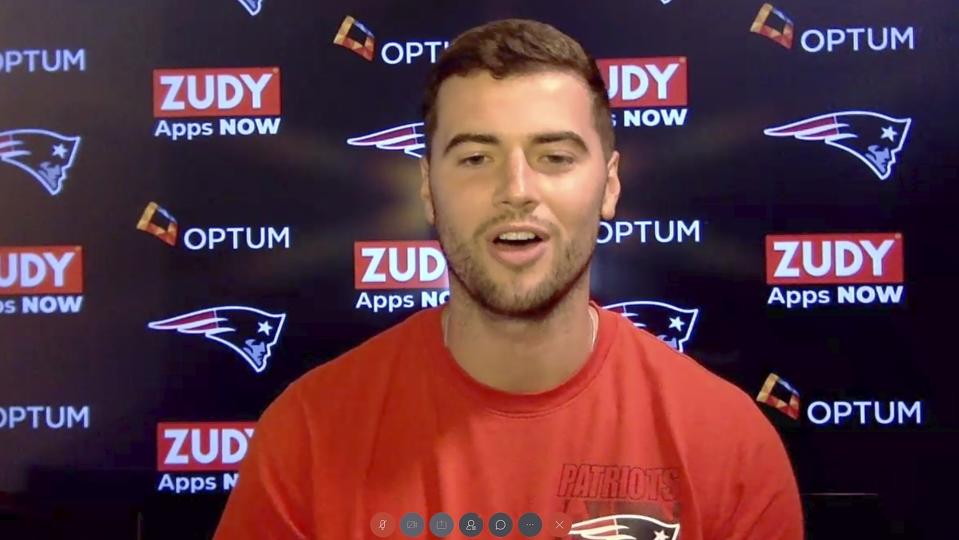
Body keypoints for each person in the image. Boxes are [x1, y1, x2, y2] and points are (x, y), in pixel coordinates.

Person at [214, 18, 803, 540]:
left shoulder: (727, 444)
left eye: (555, 157)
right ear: (427, 186)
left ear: (611, 183)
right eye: (476, 158)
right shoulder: (309, 434)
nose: (516, 190)